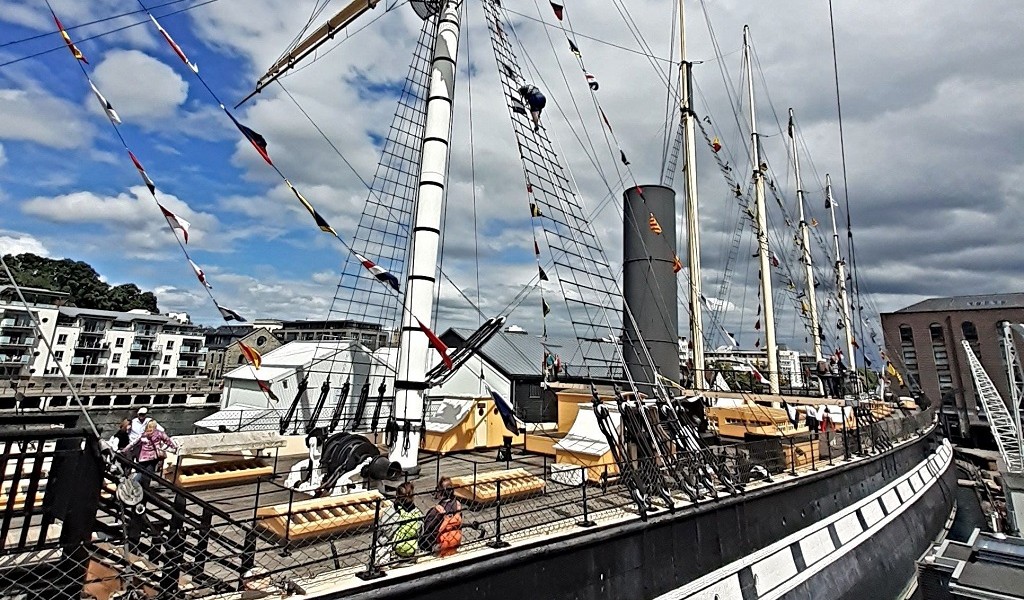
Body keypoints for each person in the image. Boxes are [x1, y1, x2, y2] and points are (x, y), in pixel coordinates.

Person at [378, 482, 422, 565]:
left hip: (396, 550)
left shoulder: (390, 513)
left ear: (397, 495)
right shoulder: (418, 513)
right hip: (412, 549)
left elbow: (383, 534)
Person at [123, 420, 177, 485]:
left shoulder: (143, 434)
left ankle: (137, 487)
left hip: (142, 457)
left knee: (141, 472)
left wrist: (125, 449)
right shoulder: (159, 433)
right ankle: (145, 488)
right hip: (153, 457)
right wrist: (171, 448)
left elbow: (134, 443)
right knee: (148, 474)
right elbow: (168, 441)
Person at [419, 476, 462, 557]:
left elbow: (427, 529)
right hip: (456, 541)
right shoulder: (458, 506)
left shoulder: (437, 510)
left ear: (440, 492)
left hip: (441, 545)